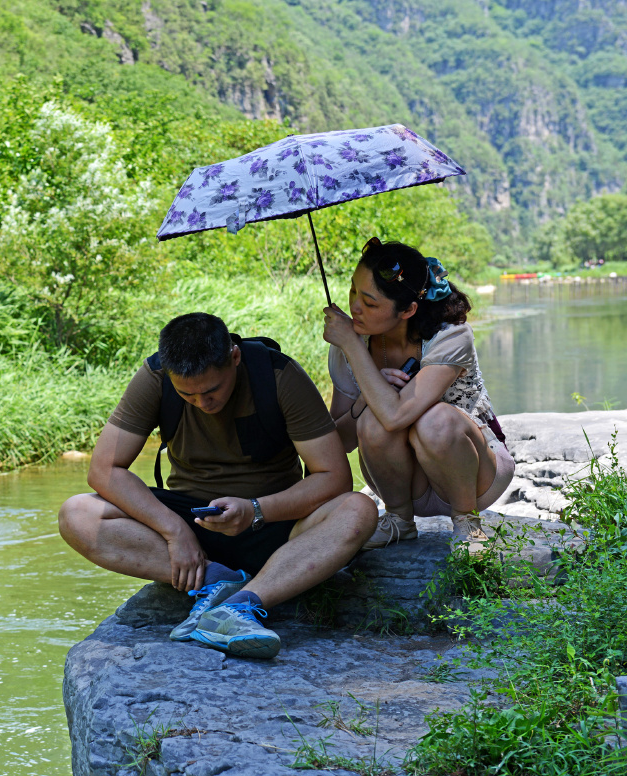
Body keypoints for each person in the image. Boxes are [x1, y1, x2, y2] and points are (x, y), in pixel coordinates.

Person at [58, 312, 377, 660]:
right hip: (192, 523)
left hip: (274, 523)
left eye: (211, 390)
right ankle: (216, 580)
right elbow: (104, 470)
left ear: (235, 358)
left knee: (358, 509)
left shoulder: (279, 376)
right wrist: (174, 532)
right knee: (77, 513)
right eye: (187, 395)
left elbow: (334, 477)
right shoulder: (155, 377)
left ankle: (239, 607)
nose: (202, 403)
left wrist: (256, 509)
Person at [322, 237, 515, 550]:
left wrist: (353, 347)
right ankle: (399, 520)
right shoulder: (350, 344)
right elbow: (340, 442)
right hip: (402, 485)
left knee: (433, 420)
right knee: (371, 419)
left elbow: (396, 415)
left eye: (370, 303)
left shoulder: (451, 335)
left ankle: (468, 522)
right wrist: (364, 394)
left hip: (474, 477)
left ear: (409, 309)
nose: (354, 307)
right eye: (353, 290)